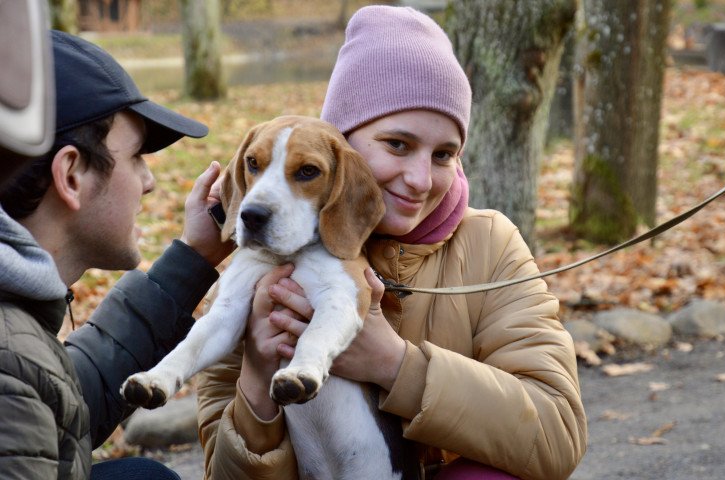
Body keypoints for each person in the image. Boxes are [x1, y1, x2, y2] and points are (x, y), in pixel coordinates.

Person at [196, 5, 587, 480]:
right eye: (397, 144)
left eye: (444, 154)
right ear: (339, 142)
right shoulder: (254, 277)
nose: (420, 180)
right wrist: (257, 380)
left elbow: (556, 435)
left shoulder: (491, 244)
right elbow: (222, 473)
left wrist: (393, 364)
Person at [0, 30, 233, 479]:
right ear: (70, 175)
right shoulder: (8, 359)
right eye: (135, 158)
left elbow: (62, 393)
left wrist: (194, 256)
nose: (148, 181)